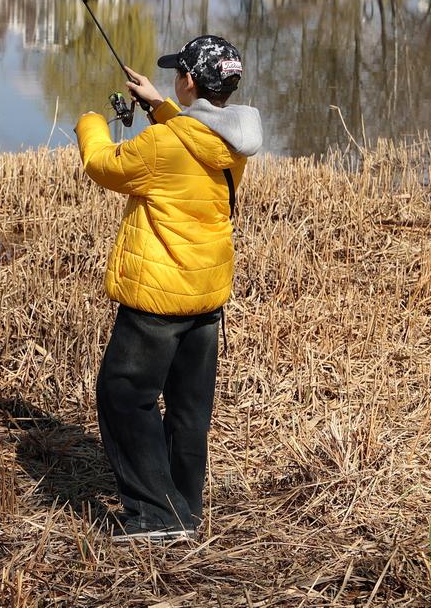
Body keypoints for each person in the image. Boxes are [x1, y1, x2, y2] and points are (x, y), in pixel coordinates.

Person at [73, 34, 262, 544]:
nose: (175, 79)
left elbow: (103, 166)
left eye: (179, 73)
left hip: (159, 298)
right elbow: (190, 137)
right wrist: (159, 106)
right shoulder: (230, 143)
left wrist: (90, 124)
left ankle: (158, 515)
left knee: (123, 394)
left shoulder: (162, 144)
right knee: (188, 407)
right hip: (205, 297)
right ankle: (185, 504)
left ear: (190, 81)